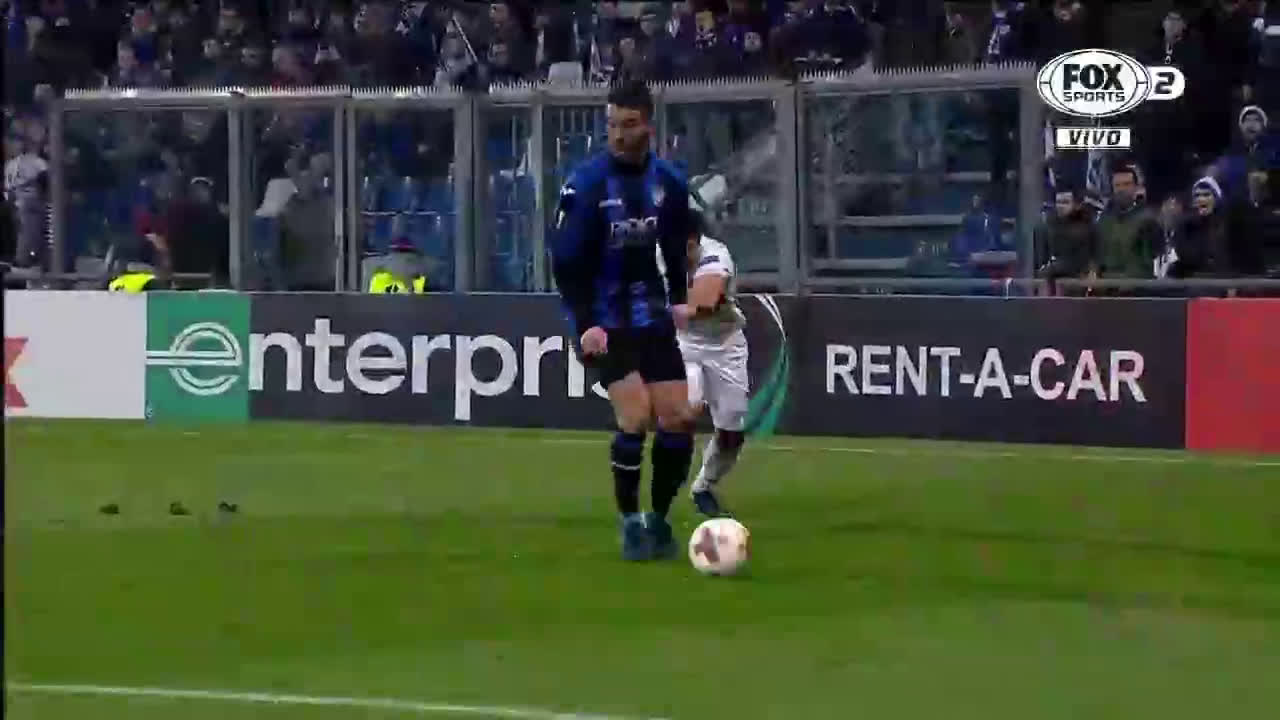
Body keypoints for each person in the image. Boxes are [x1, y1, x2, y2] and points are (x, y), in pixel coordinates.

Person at [550, 79, 698, 562]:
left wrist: (680, 299)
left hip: (651, 315)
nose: (618, 133)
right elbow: (566, 263)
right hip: (604, 320)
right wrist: (585, 324)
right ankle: (629, 523)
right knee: (635, 416)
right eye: (612, 124)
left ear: (648, 126)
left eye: (628, 124)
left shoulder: (668, 182)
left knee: (679, 418)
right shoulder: (586, 184)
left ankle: (659, 520)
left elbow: (676, 247)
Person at [659, 209, 748, 518]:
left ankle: (704, 486)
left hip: (725, 346)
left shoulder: (715, 256)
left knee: (732, 432)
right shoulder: (657, 255)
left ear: (694, 241)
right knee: (688, 409)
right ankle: (662, 496)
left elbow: (704, 303)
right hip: (684, 345)